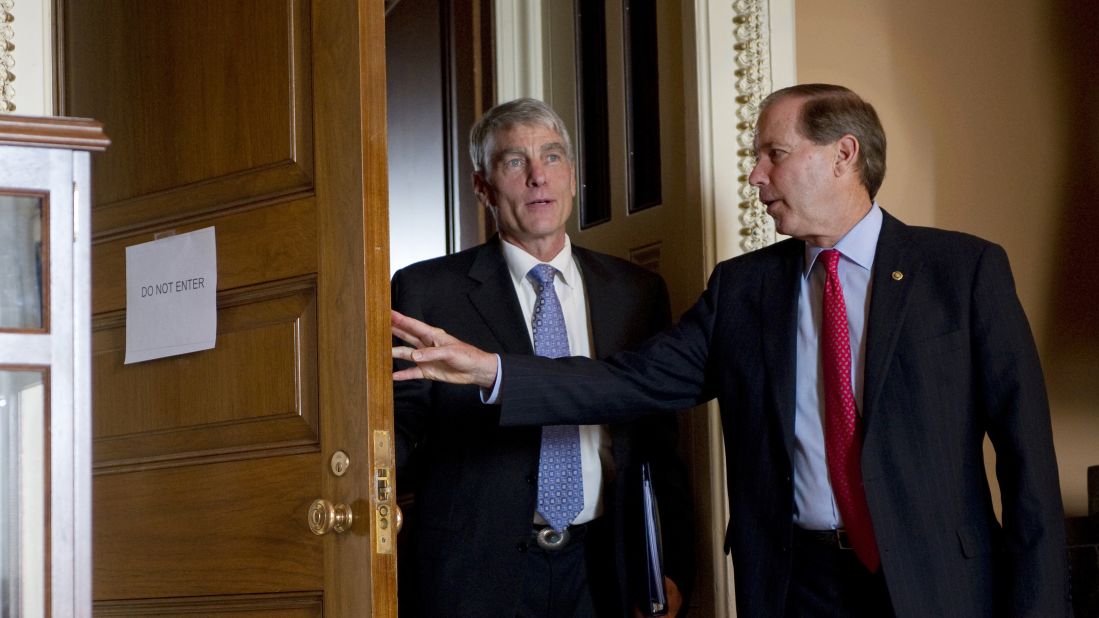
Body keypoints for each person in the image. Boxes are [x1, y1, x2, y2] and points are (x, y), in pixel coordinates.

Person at [392, 84, 1072, 617]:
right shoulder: (744, 289)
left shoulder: (961, 271)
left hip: (936, 584)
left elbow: (1027, 463)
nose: (753, 175)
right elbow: (631, 383)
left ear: (842, 155)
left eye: (773, 154)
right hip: (794, 586)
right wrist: (494, 371)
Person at [391, 97, 694, 618]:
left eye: (552, 158)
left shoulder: (637, 292)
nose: (538, 177)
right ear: (482, 186)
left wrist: (672, 567)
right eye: (514, 162)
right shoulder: (425, 293)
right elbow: (396, 435)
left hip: (606, 568)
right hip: (473, 572)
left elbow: (659, 444)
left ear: (572, 177)